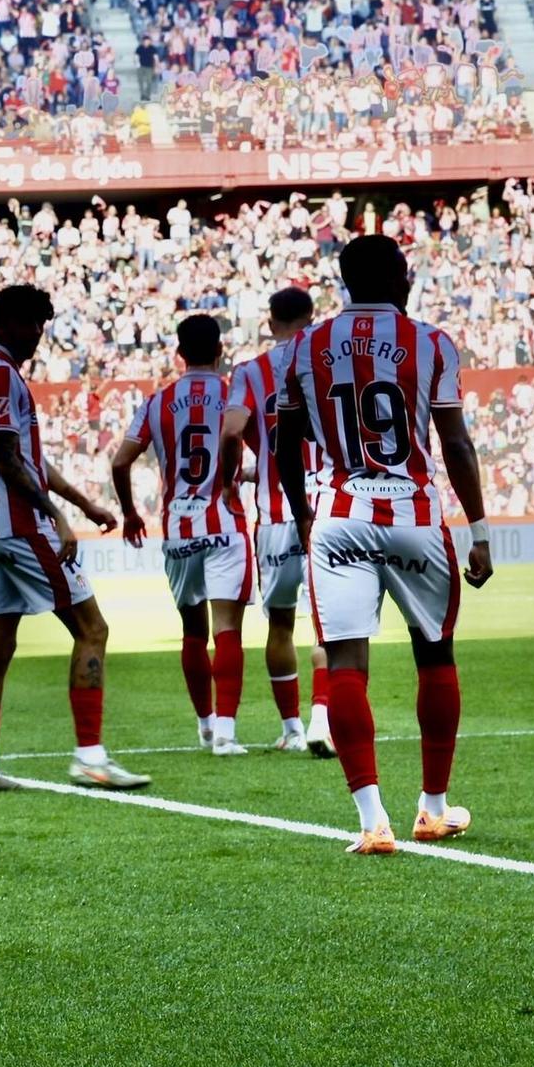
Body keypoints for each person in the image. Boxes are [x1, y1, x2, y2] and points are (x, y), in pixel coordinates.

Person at [275, 235, 493, 856]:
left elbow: (286, 443)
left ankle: (373, 823)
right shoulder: (431, 342)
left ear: (345, 282)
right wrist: (479, 531)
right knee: (436, 654)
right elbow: (455, 443)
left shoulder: (304, 347)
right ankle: (434, 809)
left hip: (339, 513)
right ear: (401, 278)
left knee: (346, 662)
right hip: (414, 514)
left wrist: (302, 515)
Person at [0, 283, 144, 794]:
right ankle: (90, 758)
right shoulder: (0, 375)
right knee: (92, 628)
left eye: (41, 323)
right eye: (29, 323)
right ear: (2, 325)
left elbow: (31, 460)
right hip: (21, 525)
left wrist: (83, 504)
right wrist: (56, 515)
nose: (37, 333)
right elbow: (6, 456)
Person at [112, 313, 251, 756]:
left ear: (179, 354)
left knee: (193, 630)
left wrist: (130, 513)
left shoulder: (157, 402)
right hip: (224, 523)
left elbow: (119, 462)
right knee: (227, 628)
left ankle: (205, 726)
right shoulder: (234, 396)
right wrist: (234, 478)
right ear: (220, 351)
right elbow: (248, 446)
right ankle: (226, 733)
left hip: (178, 528)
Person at [229, 286, 334, 756]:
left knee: (281, 624)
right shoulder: (328, 362)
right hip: (325, 508)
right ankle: (322, 720)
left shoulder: (250, 372)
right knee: (329, 623)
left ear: (271, 323)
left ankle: (291, 730)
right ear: (312, 319)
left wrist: (239, 471)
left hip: (275, 514)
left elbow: (232, 428)